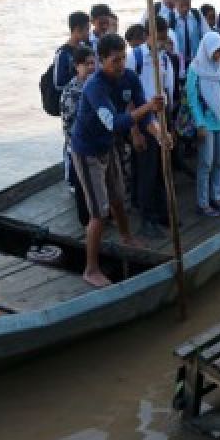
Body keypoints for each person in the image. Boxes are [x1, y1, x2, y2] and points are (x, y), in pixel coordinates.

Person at [70, 34, 169, 287]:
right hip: (87, 150)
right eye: (115, 60)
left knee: (117, 196)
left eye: (123, 58)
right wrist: (149, 107)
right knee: (99, 211)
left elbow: (144, 116)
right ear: (102, 60)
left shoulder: (129, 77)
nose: (121, 64)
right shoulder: (95, 87)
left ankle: (126, 236)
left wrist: (159, 134)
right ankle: (90, 269)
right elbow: (115, 123)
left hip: (108, 146)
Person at [130, 19, 177, 237]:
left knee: (161, 168)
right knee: (146, 170)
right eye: (159, 37)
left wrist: (169, 124)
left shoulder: (165, 59)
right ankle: (146, 218)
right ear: (149, 35)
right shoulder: (136, 57)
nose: (163, 41)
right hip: (143, 118)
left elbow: (169, 92)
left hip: (161, 116)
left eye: (164, 36)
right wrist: (135, 131)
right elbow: (127, 96)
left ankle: (161, 212)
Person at [186, 32, 220, 216]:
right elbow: (192, 99)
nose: (218, 54)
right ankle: (203, 202)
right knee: (205, 163)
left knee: (219, 161)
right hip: (205, 124)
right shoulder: (195, 68)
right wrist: (199, 123)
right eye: (215, 50)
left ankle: (217, 197)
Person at [59, 46, 97, 226]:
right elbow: (70, 125)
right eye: (87, 64)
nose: (91, 67)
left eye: (93, 63)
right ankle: (87, 222)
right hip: (80, 147)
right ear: (77, 66)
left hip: (97, 145)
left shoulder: (96, 84)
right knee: (83, 188)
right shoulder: (71, 91)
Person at [168, 0, 208, 73]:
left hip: (196, 62)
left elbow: (207, 35)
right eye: (181, 6)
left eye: (188, 4)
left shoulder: (197, 15)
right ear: (174, 2)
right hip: (177, 64)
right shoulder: (170, 19)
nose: (185, 8)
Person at [54, 10, 90, 98]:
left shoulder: (85, 47)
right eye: (87, 29)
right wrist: (78, 78)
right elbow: (58, 84)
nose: (89, 33)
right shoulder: (63, 54)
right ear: (77, 29)